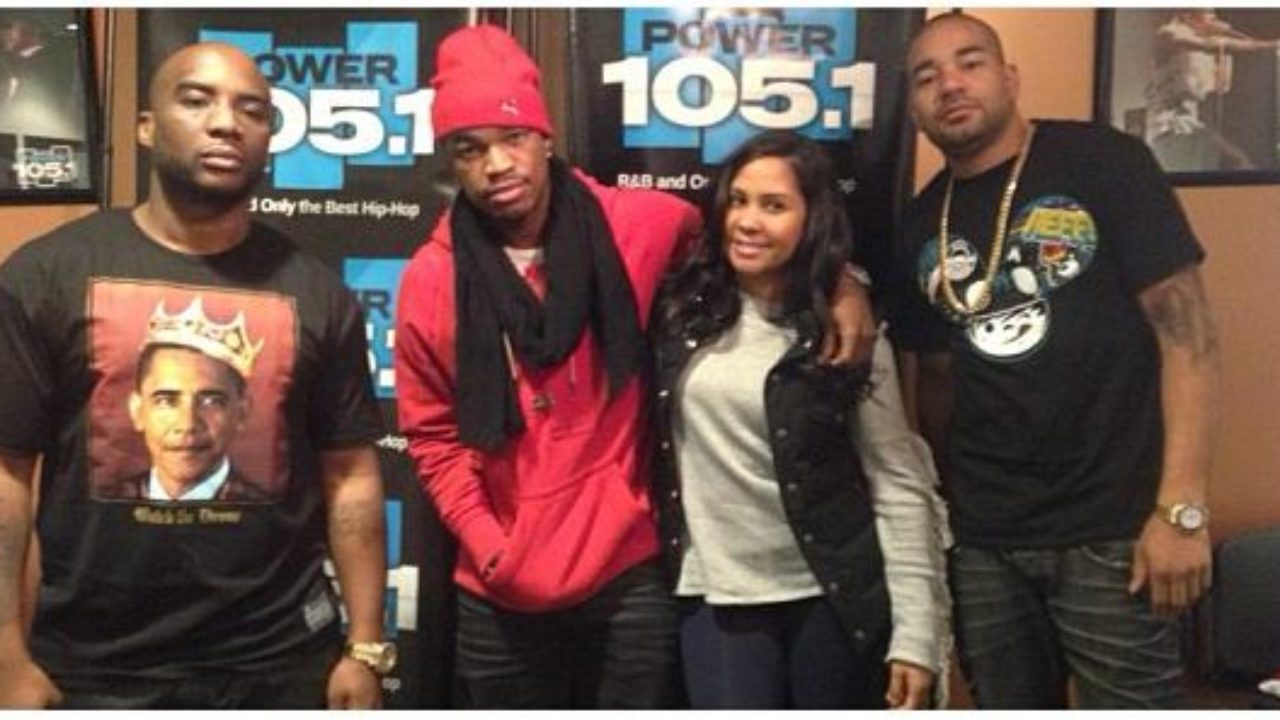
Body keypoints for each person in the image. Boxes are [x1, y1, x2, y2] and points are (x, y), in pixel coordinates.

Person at [394, 24, 875, 709]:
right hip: (499, 592)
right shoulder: (430, 279)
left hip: (628, 575)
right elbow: (434, 436)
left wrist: (843, 282)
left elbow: (757, 248)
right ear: (453, 163)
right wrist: (489, 543)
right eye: (470, 149)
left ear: (545, 137)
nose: (496, 164)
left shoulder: (641, 224)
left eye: (512, 138)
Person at [0, 42, 391, 708]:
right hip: (93, 670)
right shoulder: (44, 276)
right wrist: (6, 652)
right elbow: (8, 473)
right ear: (146, 127)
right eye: (197, 100)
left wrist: (365, 646)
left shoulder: (319, 294)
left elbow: (350, 475)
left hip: (280, 664)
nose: (226, 123)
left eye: (252, 110)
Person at [893, 12, 1220, 708]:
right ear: (914, 108)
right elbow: (938, 380)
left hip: (1115, 532)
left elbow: (1188, 335)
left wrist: (1182, 511)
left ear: (1009, 77)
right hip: (985, 543)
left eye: (970, 62)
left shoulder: (1103, 161)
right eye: (927, 76)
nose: (950, 84)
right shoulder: (920, 221)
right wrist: (951, 519)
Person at [650, 130, 950, 709]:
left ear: (813, 219)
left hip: (832, 596)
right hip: (716, 593)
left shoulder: (847, 331)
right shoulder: (677, 311)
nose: (747, 221)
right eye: (738, 200)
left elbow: (898, 483)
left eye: (774, 205)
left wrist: (918, 636)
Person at [120, 299, 269, 503]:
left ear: (242, 413)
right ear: (137, 411)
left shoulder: (269, 511)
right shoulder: (106, 503)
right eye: (166, 401)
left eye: (211, 401)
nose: (188, 424)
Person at [1144, 9, 1280, 171]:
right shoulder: (1168, 34)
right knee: (1217, 165)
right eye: (1209, 14)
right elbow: (1209, 45)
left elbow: (1222, 86)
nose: (1214, 18)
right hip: (1171, 125)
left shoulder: (1200, 54)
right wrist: (1265, 45)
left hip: (1192, 121)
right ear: (1188, 16)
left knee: (1237, 161)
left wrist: (1225, 49)